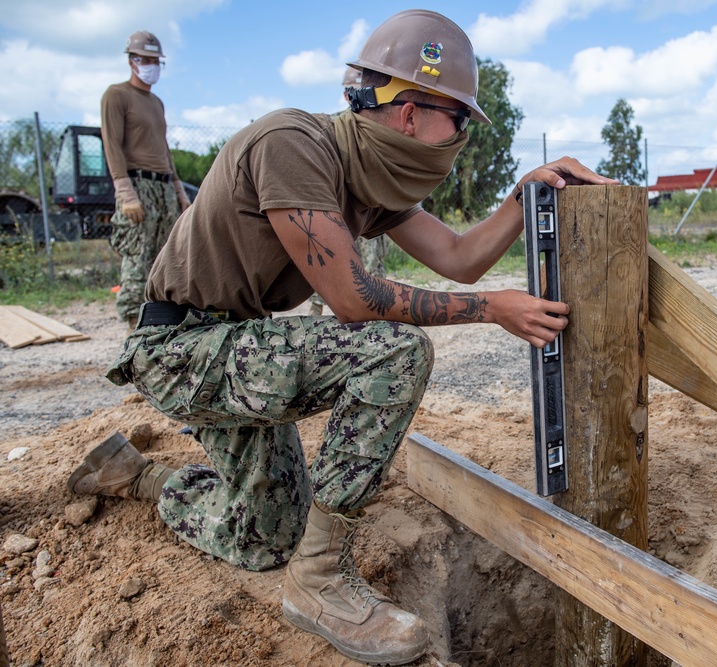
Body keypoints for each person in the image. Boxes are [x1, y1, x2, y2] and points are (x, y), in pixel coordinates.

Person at [68, 10, 615, 665]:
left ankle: (134, 476)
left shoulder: (365, 180)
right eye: (459, 119)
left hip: (231, 346)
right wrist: (491, 308)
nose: (461, 135)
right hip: (181, 351)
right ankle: (320, 580)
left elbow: (461, 255)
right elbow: (354, 299)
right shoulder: (294, 145)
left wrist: (522, 197)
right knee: (396, 351)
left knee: (265, 536)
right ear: (410, 113)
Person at [102, 30, 191, 329]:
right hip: (137, 185)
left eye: (157, 61)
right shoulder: (117, 95)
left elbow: (164, 149)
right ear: (132, 60)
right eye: (147, 60)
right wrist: (126, 193)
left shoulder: (157, 103)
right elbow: (112, 145)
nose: (152, 66)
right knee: (137, 260)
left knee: (166, 259)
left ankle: (160, 326)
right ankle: (132, 331)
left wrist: (179, 192)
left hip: (164, 186)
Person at [308, 67, 388, 316]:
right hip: (337, 209)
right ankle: (319, 313)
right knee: (329, 264)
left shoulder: (380, 128)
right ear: (346, 95)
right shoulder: (332, 125)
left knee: (372, 269)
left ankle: (374, 318)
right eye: (351, 91)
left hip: (371, 209)